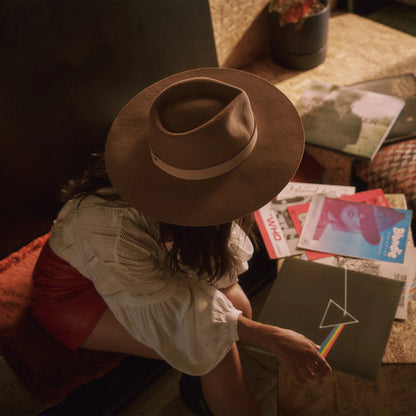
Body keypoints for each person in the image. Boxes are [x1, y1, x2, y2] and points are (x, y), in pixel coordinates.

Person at [31, 68, 331, 416]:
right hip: (79, 294)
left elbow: (212, 271)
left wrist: (246, 325)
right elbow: (165, 299)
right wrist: (267, 335)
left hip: (147, 264)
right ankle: (211, 391)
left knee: (239, 311)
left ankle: (198, 389)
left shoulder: (193, 188)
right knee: (216, 350)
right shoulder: (109, 223)